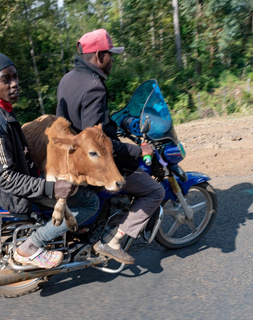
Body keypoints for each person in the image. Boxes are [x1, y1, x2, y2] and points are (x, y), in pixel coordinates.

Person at [0, 48, 99, 269]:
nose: (14, 84)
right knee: (90, 202)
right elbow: (6, 178)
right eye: (6, 79)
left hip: (24, 175)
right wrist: (51, 188)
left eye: (15, 76)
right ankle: (31, 246)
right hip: (14, 193)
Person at [56, 29, 166, 265]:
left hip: (69, 158)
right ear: (98, 56)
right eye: (111, 54)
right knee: (154, 191)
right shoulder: (94, 86)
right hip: (92, 165)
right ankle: (113, 241)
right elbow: (96, 142)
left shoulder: (68, 79)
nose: (113, 60)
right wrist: (139, 151)